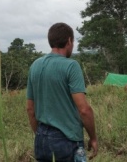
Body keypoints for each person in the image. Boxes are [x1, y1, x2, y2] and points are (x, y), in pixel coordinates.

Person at [26, 22, 98, 161]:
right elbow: (84, 109)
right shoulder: (71, 66)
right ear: (69, 41)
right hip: (66, 140)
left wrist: (41, 136)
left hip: (41, 139)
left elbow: (30, 109)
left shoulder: (35, 65)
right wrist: (93, 137)